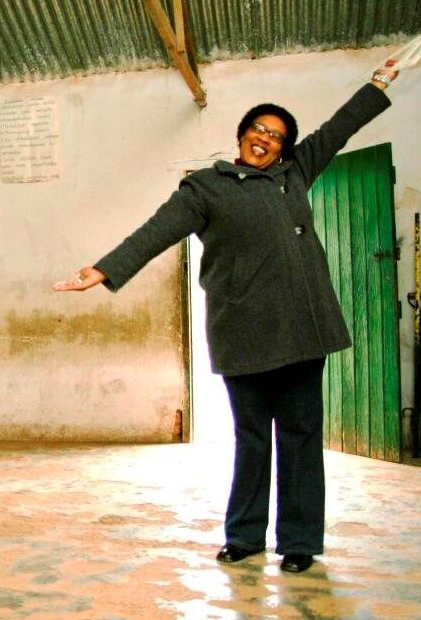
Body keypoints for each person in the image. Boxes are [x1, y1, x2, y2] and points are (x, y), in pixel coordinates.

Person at [54, 67, 399, 574]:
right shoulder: (205, 187)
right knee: (253, 437)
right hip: (243, 333)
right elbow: (155, 232)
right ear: (242, 135)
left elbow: (339, 127)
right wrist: (105, 269)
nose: (267, 139)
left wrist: (377, 86)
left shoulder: (296, 173)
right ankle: (243, 537)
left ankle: (300, 542)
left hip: (304, 331)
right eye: (259, 129)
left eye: (277, 136)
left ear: (285, 149)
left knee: (301, 436)